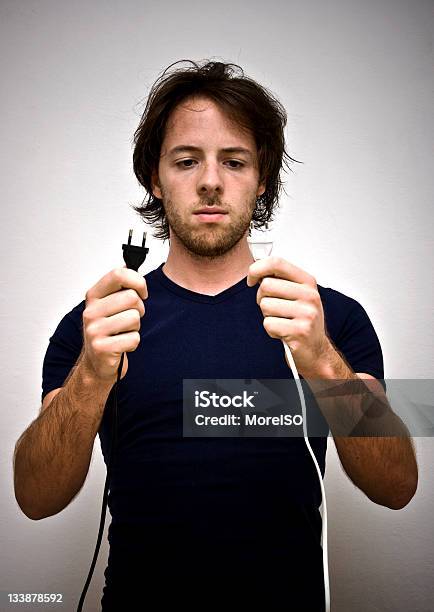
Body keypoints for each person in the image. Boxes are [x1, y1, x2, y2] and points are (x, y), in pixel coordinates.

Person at [13, 60, 418, 611]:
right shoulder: (99, 324)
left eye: (234, 161)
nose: (210, 181)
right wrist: (88, 378)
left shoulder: (329, 320)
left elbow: (396, 488)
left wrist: (323, 361)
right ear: (155, 178)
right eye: (186, 160)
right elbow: (35, 498)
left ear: (262, 178)